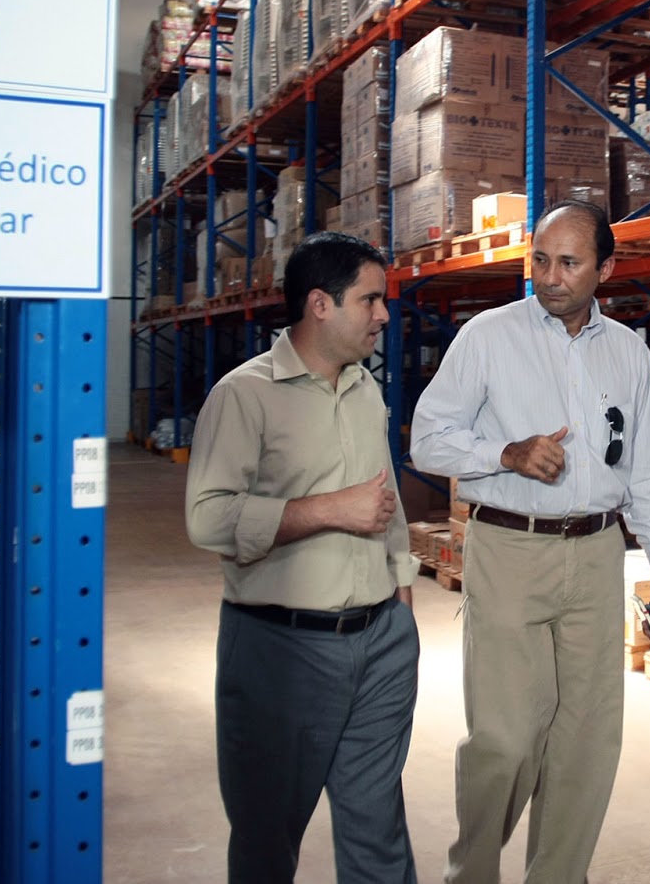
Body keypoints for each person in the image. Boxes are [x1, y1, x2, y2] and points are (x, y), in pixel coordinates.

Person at [409, 199, 650, 884]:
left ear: (606, 269)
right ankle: (471, 873)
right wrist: (504, 453)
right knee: (504, 740)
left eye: (568, 262)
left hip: (597, 554)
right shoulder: (488, 336)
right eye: (540, 260)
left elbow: (649, 470)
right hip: (510, 551)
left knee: (587, 740)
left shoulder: (626, 350)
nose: (550, 277)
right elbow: (427, 438)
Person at [185, 231, 420, 884]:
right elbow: (206, 518)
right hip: (280, 648)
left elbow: (386, 498)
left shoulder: (365, 388)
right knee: (267, 838)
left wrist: (401, 589)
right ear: (320, 304)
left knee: (378, 832)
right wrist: (327, 510)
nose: (383, 314)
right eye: (370, 300)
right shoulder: (244, 395)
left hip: (381, 642)